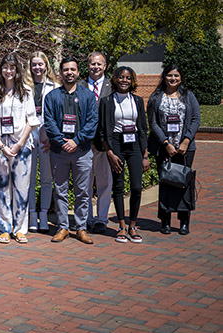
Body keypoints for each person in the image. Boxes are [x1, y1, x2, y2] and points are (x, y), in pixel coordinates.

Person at [44, 57, 98, 244]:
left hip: (82, 151)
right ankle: (63, 227)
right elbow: (49, 123)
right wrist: (62, 141)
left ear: (78, 72)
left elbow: (92, 122)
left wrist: (76, 141)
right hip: (59, 152)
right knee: (60, 190)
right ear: (60, 73)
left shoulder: (88, 96)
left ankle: (81, 228)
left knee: (83, 191)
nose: (69, 73)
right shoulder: (52, 97)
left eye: (72, 69)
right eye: (66, 70)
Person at [0, 55, 40, 244]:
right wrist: (1, 145)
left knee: (21, 188)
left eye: (12, 68)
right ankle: (3, 227)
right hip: (0, 145)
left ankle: (20, 229)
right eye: (5, 67)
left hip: (22, 145)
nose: (8, 71)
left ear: (17, 70)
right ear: (0, 69)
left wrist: (19, 144)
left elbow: (31, 119)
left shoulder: (25, 91)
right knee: (1, 187)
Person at [147, 64, 200, 235]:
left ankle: (184, 221)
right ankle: (165, 221)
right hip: (164, 148)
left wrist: (185, 141)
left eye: (176, 76)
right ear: (164, 77)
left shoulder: (188, 96)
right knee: (166, 183)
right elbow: (153, 123)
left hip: (185, 149)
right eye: (170, 75)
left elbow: (195, 119)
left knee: (184, 183)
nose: (173, 79)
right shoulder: (156, 97)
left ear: (181, 78)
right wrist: (165, 143)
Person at [98, 66, 149, 243]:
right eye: (121, 77)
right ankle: (121, 226)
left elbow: (143, 128)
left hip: (134, 144)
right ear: (115, 79)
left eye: (127, 78)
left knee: (136, 187)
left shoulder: (137, 100)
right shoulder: (106, 101)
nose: (124, 80)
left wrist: (145, 155)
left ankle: (132, 225)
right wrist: (110, 153)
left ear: (132, 80)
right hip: (116, 144)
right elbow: (103, 131)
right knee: (118, 186)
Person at [79, 51, 113, 234]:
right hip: (84, 143)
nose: (96, 67)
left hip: (104, 145)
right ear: (88, 65)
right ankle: (86, 218)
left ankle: (101, 219)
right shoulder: (80, 86)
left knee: (104, 183)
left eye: (99, 64)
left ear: (105, 66)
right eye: (93, 64)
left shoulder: (112, 87)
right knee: (84, 183)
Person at [27, 51, 58, 233]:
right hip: (29, 133)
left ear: (46, 65)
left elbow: (57, 114)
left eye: (40, 64)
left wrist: (52, 137)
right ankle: (32, 214)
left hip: (47, 135)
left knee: (47, 178)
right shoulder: (24, 86)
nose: (37, 68)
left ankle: (44, 214)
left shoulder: (54, 86)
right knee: (30, 179)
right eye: (34, 65)